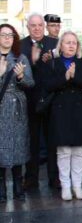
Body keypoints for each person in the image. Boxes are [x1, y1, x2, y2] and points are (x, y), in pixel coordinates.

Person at [43, 32, 82, 200]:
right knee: (64, 151)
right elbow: (48, 85)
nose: (71, 45)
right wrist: (65, 77)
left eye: (74, 43)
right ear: (61, 45)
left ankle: (77, 186)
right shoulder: (53, 63)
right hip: (60, 111)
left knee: (79, 151)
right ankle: (65, 186)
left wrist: (75, 76)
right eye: (67, 43)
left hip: (79, 111)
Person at [20, 13, 59, 190]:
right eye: (32, 25)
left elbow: (60, 70)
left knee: (53, 141)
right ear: (27, 27)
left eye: (39, 25)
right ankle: (31, 178)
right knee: (32, 142)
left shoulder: (54, 43)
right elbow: (18, 74)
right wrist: (33, 62)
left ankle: (54, 178)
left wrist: (51, 62)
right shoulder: (21, 45)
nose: (36, 28)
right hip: (30, 101)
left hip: (51, 100)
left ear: (44, 26)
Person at [0, 24, 34, 202]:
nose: (7, 38)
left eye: (10, 35)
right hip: (1, 109)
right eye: (3, 35)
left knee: (18, 147)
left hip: (17, 110)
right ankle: (2, 189)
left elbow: (31, 83)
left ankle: (18, 187)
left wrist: (21, 77)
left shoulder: (21, 58)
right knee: (1, 148)